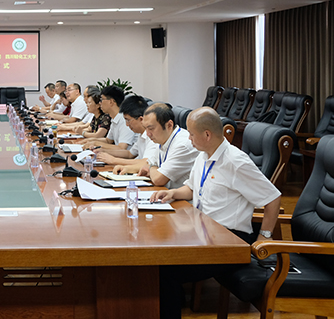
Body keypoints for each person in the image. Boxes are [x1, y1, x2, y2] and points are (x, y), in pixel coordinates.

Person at [150, 107, 281, 319]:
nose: (189, 139)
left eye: (192, 134)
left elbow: (272, 198)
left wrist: (264, 237)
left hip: (229, 241)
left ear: (207, 135)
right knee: (158, 256)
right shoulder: (203, 156)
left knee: (166, 272)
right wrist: (172, 193)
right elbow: (192, 188)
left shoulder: (236, 162)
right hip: (204, 233)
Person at [137, 103, 197, 189]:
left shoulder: (182, 144)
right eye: (145, 128)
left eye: (151, 128)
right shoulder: (163, 139)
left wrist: (151, 167)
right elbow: (148, 164)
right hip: (166, 192)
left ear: (169, 125)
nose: (148, 134)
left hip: (180, 196)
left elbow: (158, 179)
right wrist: (152, 167)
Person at [83, 86, 137, 162]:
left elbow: (122, 148)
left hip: (127, 160)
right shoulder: (114, 118)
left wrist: (96, 143)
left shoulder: (124, 119)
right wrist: (89, 140)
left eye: (102, 100)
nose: (100, 103)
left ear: (111, 102)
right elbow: (108, 140)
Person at [109, 94, 159, 174]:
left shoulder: (152, 137)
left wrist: (113, 160)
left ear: (141, 119)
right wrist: (103, 152)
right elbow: (130, 154)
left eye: (128, 120)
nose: (127, 124)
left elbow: (145, 162)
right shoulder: (141, 134)